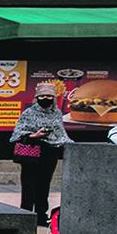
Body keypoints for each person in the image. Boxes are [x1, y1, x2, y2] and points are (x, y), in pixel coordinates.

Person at [10, 82, 73, 226]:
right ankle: (26, 214)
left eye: (49, 96)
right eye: (42, 96)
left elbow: (61, 133)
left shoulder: (56, 113)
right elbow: (18, 133)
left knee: (44, 184)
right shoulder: (29, 113)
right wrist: (35, 135)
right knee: (29, 184)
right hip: (32, 151)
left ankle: (41, 215)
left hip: (50, 151)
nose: (46, 98)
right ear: (37, 97)